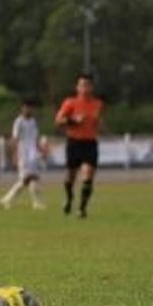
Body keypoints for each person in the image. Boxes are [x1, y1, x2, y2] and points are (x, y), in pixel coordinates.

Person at [55, 73, 104, 218]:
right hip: (74, 141)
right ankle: (69, 198)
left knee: (88, 173)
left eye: (87, 85)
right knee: (70, 175)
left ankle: (82, 209)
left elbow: (98, 122)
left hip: (90, 142)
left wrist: (100, 127)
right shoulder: (70, 102)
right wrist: (72, 120)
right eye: (82, 85)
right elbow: (58, 120)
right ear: (77, 87)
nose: (85, 88)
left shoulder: (97, 104)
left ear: (92, 87)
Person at [1, 99, 45, 210]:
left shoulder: (33, 121)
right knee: (28, 178)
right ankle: (10, 199)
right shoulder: (19, 121)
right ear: (22, 108)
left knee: (31, 178)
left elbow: (36, 138)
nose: (28, 110)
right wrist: (15, 155)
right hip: (23, 152)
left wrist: (41, 150)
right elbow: (15, 139)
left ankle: (9, 199)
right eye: (26, 107)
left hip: (33, 153)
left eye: (30, 107)